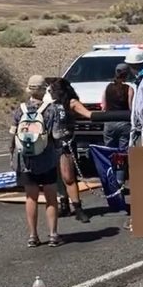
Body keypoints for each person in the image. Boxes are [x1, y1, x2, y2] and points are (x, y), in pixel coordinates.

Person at [10, 75, 64, 247]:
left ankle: (33, 236)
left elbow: (12, 135)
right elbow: (56, 135)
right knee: (50, 197)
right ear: (43, 90)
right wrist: (59, 149)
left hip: (25, 159)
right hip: (46, 158)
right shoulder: (51, 109)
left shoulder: (20, 110)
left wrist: (13, 155)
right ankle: (53, 234)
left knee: (31, 197)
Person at [47, 77, 92, 223]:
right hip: (52, 144)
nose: (50, 92)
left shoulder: (72, 103)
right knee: (57, 177)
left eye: (53, 90)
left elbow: (88, 114)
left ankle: (78, 208)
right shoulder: (50, 105)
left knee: (68, 177)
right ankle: (64, 204)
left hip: (66, 144)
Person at [101, 63, 134, 150]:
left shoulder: (107, 87)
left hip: (109, 123)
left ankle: (110, 163)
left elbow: (103, 107)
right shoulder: (129, 89)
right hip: (124, 123)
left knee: (109, 150)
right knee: (123, 151)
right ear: (127, 75)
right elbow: (131, 108)